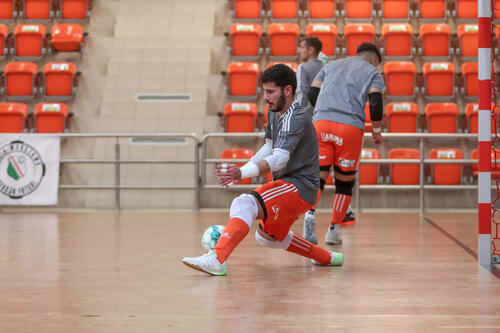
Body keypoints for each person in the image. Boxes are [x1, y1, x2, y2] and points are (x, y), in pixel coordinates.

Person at [182, 64, 344, 276]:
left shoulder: (296, 117)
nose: (265, 97)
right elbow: (269, 146)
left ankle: (217, 258)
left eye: (270, 92)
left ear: (287, 90)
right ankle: (329, 257)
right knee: (268, 238)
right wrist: (243, 169)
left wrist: (242, 173)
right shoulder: (275, 111)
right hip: (293, 186)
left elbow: (279, 158)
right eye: (264, 91)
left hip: (298, 186)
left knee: (244, 203)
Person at [303, 42, 384, 246]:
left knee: (317, 177)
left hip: (321, 124)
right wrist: (376, 131)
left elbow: (312, 94)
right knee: (344, 183)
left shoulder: (330, 65)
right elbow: (375, 104)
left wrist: (322, 113)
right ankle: (333, 230)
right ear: (374, 60)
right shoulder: (373, 72)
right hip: (350, 128)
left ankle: (309, 214)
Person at [297, 37, 357, 244]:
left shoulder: (303, 69)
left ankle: (309, 212)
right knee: (344, 177)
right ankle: (338, 221)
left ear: (311, 50)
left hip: (315, 124)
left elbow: (302, 95)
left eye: (302, 47)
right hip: (339, 122)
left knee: (318, 174)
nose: (299, 51)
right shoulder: (330, 68)